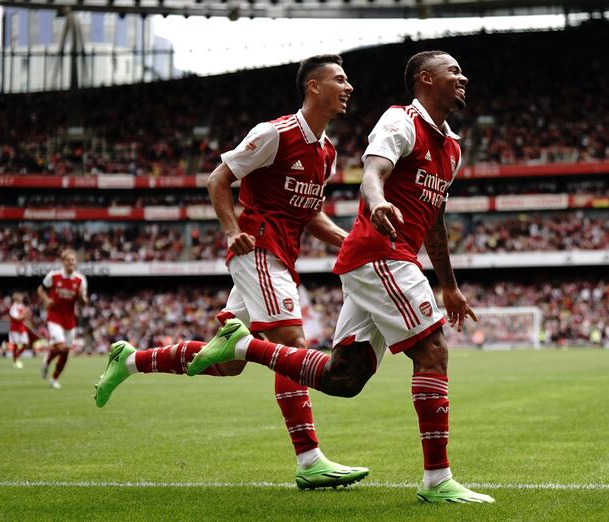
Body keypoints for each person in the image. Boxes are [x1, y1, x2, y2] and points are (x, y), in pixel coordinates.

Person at [188, 50, 494, 504]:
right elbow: (374, 171)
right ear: (426, 80)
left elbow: (435, 217)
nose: (463, 76)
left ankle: (243, 346)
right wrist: (377, 201)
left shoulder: (452, 147)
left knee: (343, 379)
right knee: (431, 351)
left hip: (384, 258)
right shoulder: (401, 121)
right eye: (453, 70)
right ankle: (436, 479)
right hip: (381, 255)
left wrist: (447, 283)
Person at [94, 54, 368, 490]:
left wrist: (352, 240)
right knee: (291, 345)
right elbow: (218, 179)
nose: (349, 86)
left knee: (227, 364)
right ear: (313, 87)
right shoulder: (274, 133)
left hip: (281, 254)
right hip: (257, 246)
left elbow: (311, 214)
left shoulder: (327, 153)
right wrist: (229, 230)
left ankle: (129, 360)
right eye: (340, 79)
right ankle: (310, 459)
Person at [37, 249, 88, 389]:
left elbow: (83, 302)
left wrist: (82, 297)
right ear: (63, 261)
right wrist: (46, 300)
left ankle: (54, 378)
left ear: (75, 262)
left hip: (69, 320)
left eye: (73, 260)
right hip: (54, 317)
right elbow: (40, 289)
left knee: (65, 351)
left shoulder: (80, 280)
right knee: (61, 346)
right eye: (68, 260)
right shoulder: (53, 276)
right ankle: (47, 361)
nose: (71, 262)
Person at [8, 292, 29, 368]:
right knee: (15, 344)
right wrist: (24, 314)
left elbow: (24, 317)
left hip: (21, 327)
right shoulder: (13, 307)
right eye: (20, 297)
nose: (22, 298)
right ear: (16, 298)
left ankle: (16, 356)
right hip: (15, 328)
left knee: (26, 343)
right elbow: (16, 318)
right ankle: (15, 361)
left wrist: (26, 315)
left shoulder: (22, 306)